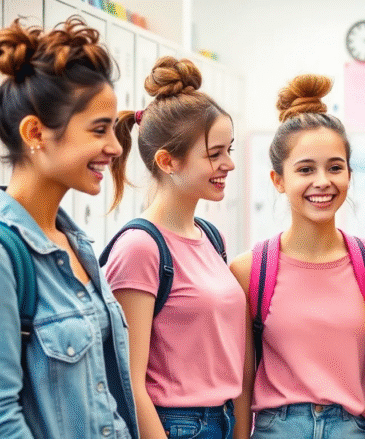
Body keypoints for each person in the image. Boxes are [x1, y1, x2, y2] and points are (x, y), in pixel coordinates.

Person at [229, 74, 365, 438]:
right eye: (305, 169)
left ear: (349, 173)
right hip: (277, 428)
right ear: (278, 180)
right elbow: (241, 381)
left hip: (353, 428)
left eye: (335, 167)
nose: (323, 181)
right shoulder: (249, 269)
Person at [0, 17, 138, 438]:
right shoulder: (7, 254)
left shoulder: (76, 244)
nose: (116, 147)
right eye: (100, 130)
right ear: (36, 132)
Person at [104, 57, 246, 439]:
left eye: (229, 149)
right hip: (177, 426)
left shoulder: (210, 236)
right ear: (167, 161)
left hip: (222, 419)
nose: (229, 164)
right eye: (214, 154)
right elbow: (128, 382)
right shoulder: (140, 247)